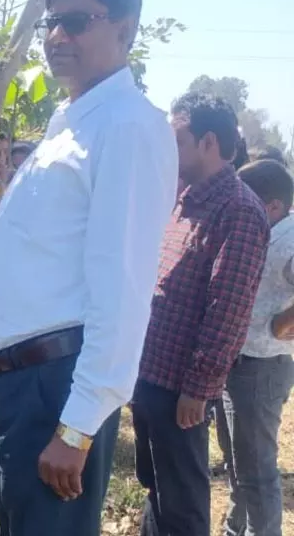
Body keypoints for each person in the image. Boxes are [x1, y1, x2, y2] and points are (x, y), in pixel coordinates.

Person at [0, 0, 179, 535]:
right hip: (23, 381)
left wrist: (77, 427)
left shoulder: (128, 128)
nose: (56, 37)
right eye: (51, 23)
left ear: (125, 28)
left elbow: (124, 289)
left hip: (58, 384)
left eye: (75, 22)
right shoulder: (71, 123)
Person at [134, 92, 269, 536]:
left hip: (181, 390)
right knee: (156, 487)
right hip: (151, 376)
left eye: (178, 139)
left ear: (208, 141)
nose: (169, 151)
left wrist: (200, 386)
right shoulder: (186, 199)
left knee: (183, 502)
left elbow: (227, 310)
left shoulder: (239, 210)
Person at [217, 159, 294, 536]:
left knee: (258, 470)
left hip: (261, 367)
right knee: (240, 463)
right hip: (240, 361)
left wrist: (282, 325)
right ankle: (237, 527)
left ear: (275, 206)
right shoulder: (267, 230)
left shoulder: (289, 237)